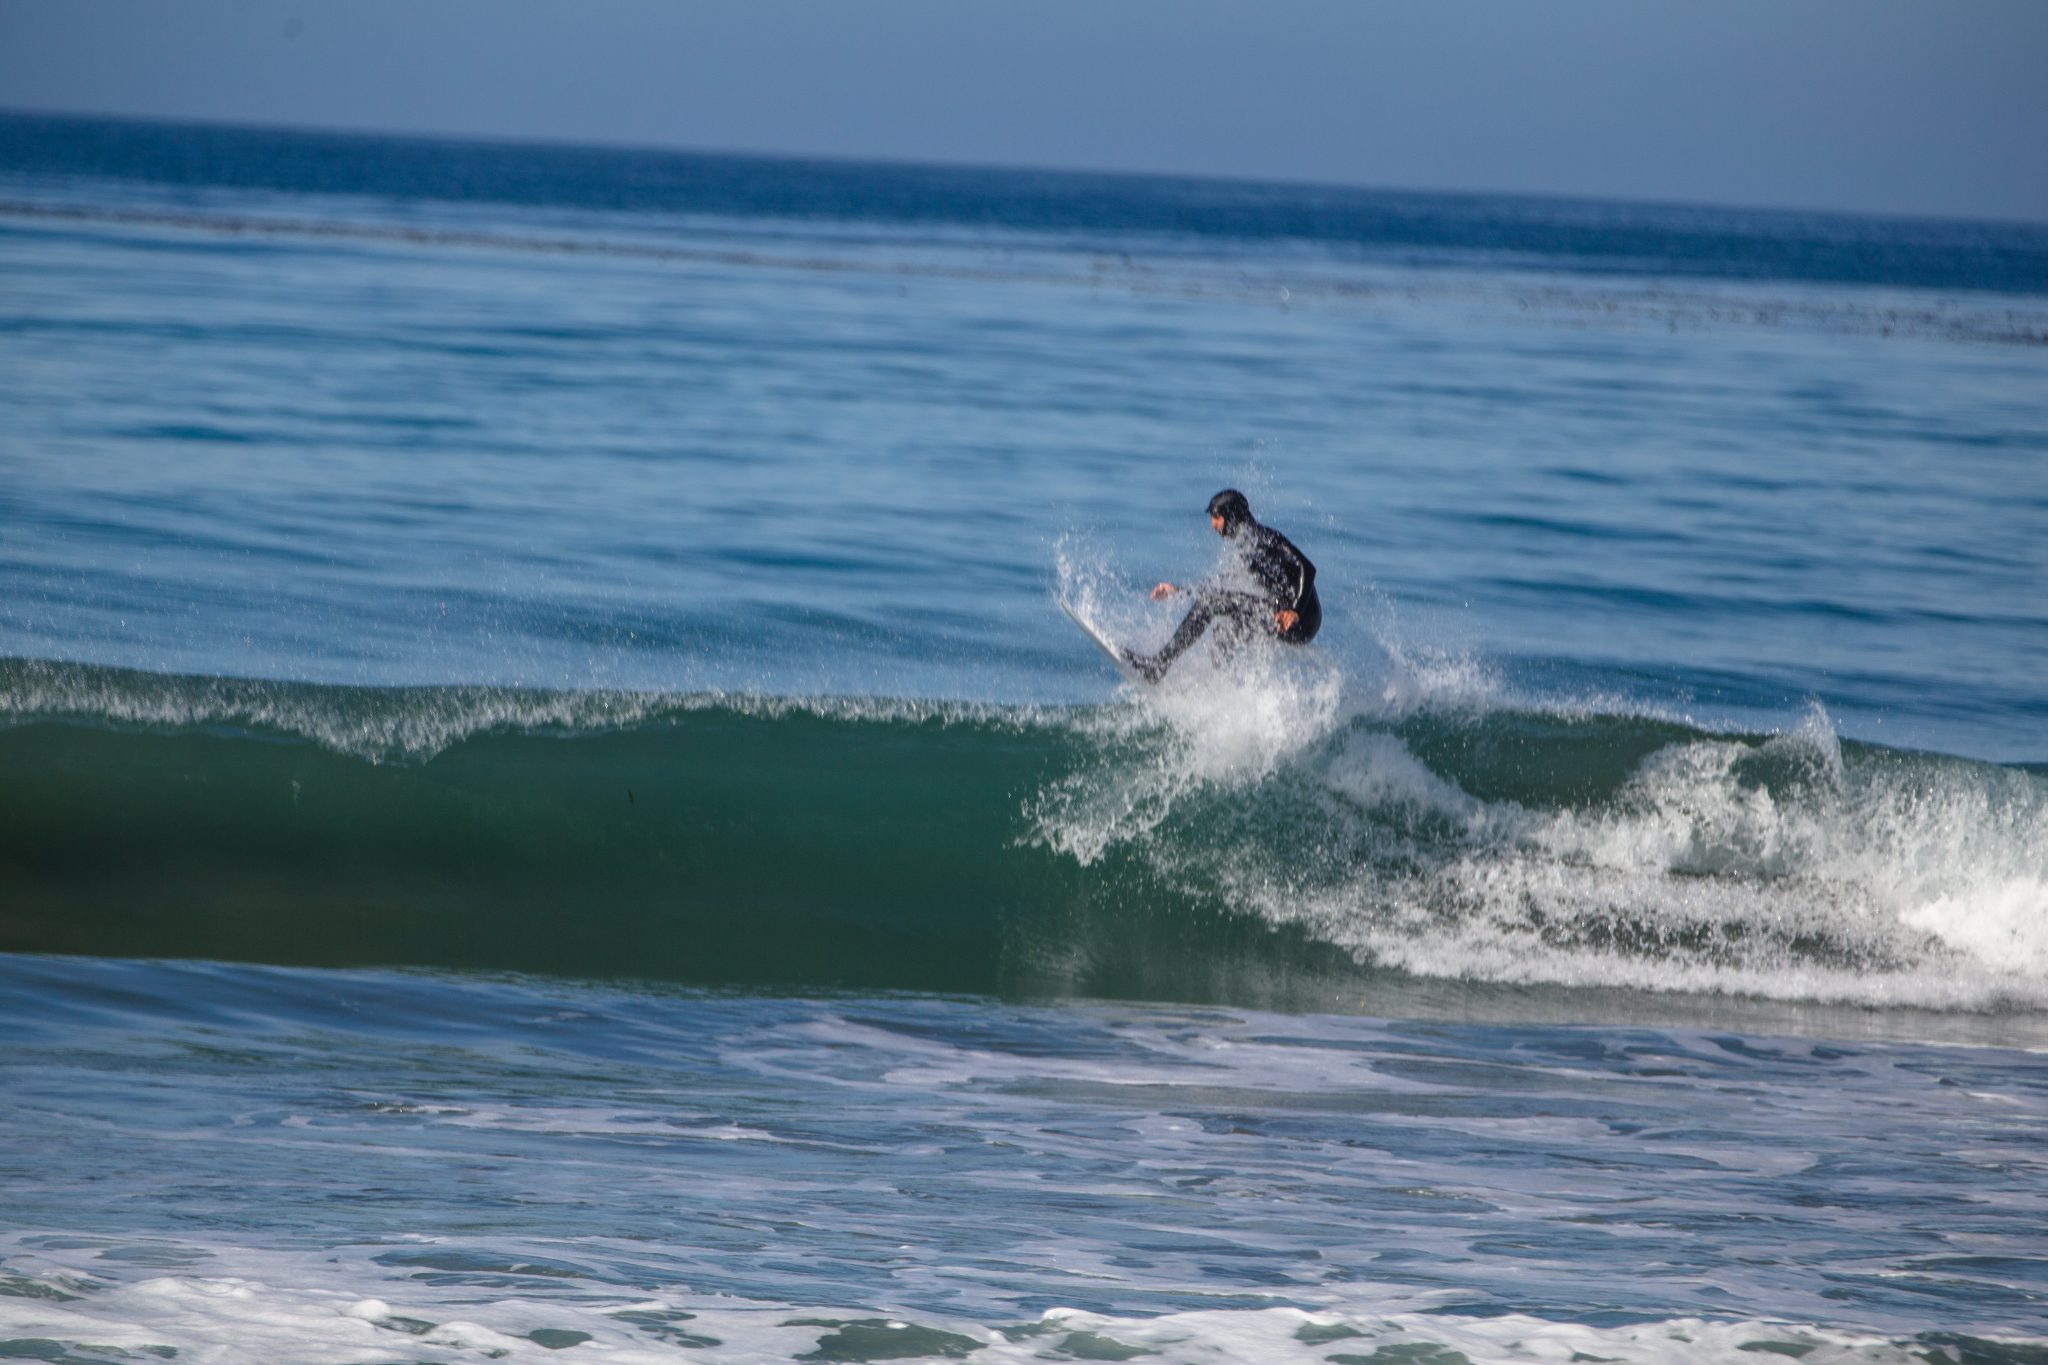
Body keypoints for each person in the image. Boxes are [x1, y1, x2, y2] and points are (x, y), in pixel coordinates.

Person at [1127, 489, 1320, 682]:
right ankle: (1216, 689)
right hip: (1281, 613)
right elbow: (1224, 583)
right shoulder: (1247, 544)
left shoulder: (1264, 538)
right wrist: (1179, 591)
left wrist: (1294, 611)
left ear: (1233, 516)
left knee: (1210, 604)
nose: (1213, 525)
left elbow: (1307, 568)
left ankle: (1158, 666)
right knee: (1225, 633)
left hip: (1300, 621)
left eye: (1217, 517)